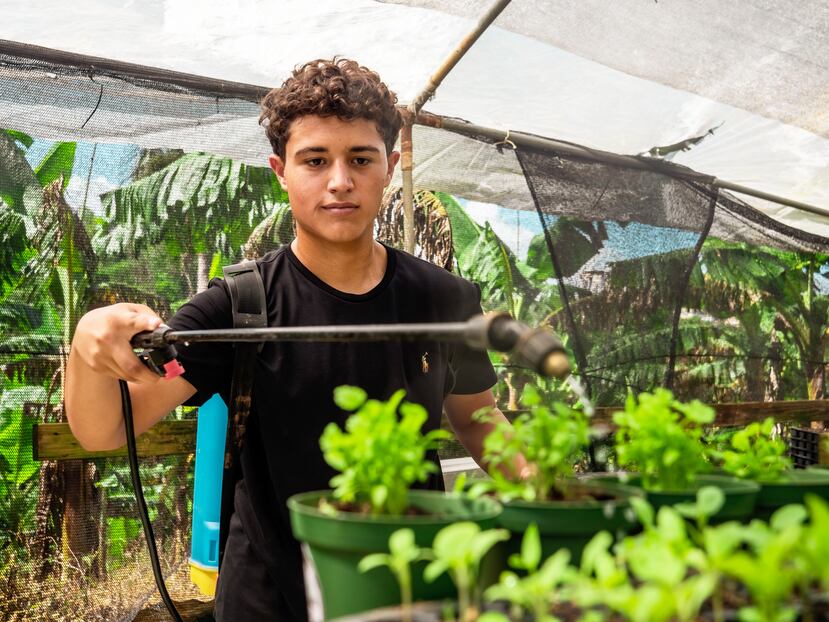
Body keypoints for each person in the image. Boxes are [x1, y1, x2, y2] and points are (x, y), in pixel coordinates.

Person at [65, 58, 525, 621]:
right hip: (269, 594)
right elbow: (106, 429)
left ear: (391, 164)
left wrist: (550, 492)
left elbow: (478, 417)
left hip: (404, 584)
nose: (340, 181)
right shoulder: (239, 305)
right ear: (281, 171)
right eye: (315, 160)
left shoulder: (444, 300)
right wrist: (87, 344)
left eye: (360, 158)